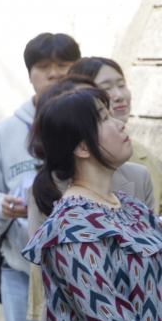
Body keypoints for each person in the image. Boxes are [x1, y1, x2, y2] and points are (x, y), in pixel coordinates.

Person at [0, 33, 81, 321]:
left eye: (63, 64)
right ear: (29, 74)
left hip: (83, 273)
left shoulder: (90, 128)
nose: (54, 73)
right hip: (21, 274)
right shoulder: (4, 134)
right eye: (43, 66)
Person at [22, 87, 162, 321]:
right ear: (82, 148)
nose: (120, 124)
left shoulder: (129, 206)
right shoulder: (70, 230)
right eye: (104, 118)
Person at [68, 56, 162, 214]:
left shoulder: (145, 157)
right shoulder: (63, 187)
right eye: (105, 88)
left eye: (122, 84)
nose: (118, 95)